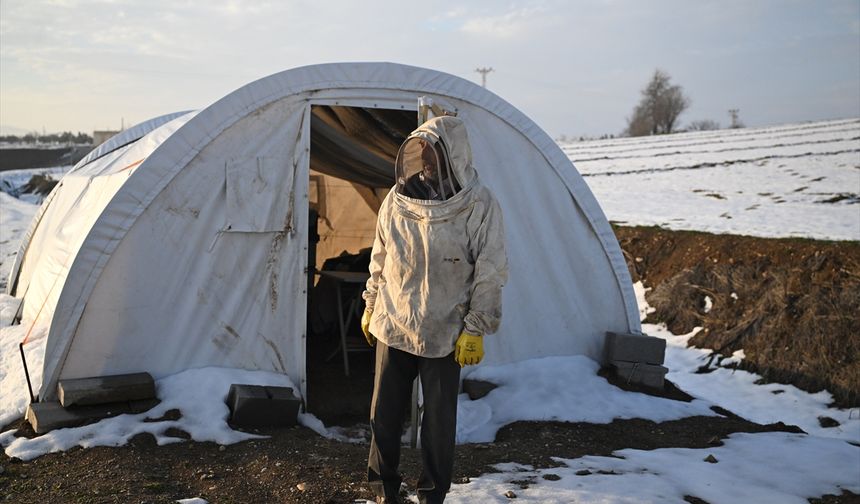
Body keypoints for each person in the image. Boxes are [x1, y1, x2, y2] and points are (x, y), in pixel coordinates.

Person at [361, 115, 508, 503]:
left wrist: (476, 326)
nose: (423, 154)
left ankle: (432, 496)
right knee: (384, 416)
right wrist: (371, 302)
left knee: (438, 423)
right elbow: (381, 256)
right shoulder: (398, 199)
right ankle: (383, 491)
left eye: (431, 147)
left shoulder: (479, 204)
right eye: (419, 146)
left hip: (447, 329)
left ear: (452, 153)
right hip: (395, 321)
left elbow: (490, 270)